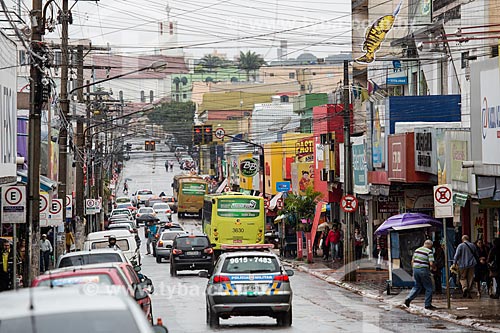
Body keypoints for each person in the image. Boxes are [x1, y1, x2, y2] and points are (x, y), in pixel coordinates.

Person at [404, 239, 437, 310]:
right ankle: (427, 304)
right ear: (430, 245)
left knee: (417, 286)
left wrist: (414, 270)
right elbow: (431, 263)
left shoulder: (417, 250)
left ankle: (408, 298)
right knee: (429, 287)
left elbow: (412, 261)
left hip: (415, 269)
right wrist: (434, 268)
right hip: (423, 270)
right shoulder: (429, 251)